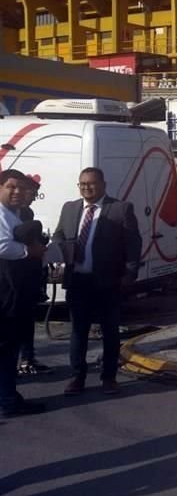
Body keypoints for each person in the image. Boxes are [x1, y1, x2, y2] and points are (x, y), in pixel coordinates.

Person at [53, 167, 142, 396]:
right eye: (82, 184)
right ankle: (77, 377)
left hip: (108, 282)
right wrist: (60, 254)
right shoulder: (70, 208)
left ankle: (109, 377)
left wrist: (129, 274)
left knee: (110, 332)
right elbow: (59, 235)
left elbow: (133, 245)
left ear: (103, 184)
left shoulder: (120, 209)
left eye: (91, 183)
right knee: (78, 332)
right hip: (78, 281)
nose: (86, 188)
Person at [0, 169, 47, 417]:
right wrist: (30, 252)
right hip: (3, 292)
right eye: (10, 187)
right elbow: (3, 246)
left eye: (21, 187)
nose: (17, 191)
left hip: (15, 290)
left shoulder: (17, 213)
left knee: (9, 348)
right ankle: (8, 401)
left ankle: (8, 396)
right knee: (6, 348)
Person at [17, 175, 51, 375]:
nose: (33, 197)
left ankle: (28, 357)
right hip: (15, 276)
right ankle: (22, 360)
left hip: (31, 275)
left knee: (27, 318)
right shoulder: (11, 214)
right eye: (32, 193)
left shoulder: (27, 212)